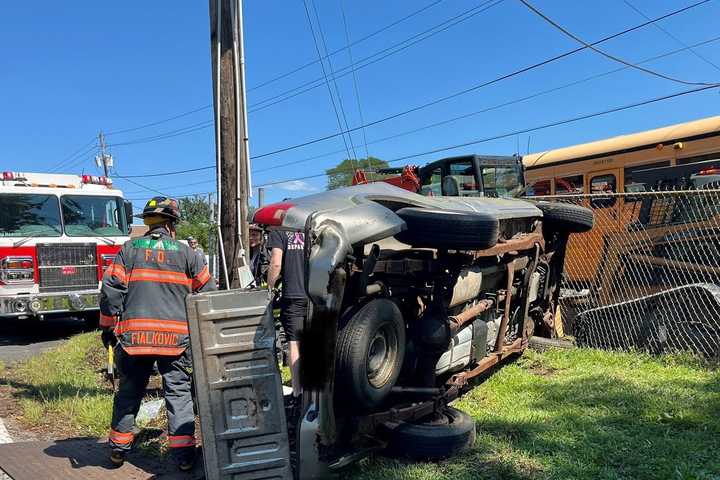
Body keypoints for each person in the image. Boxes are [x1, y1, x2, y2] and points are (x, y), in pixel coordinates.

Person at [100, 196, 215, 471]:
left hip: (134, 340)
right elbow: (207, 292)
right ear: (172, 223)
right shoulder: (188, 253)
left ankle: (117, 450)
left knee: (129, 393)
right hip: (175, 341)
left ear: (149, 223)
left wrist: (106, 326)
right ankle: (184, 457)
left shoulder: (128, 250)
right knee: (178, 394)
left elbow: (110, 290)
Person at [267, 229, 306, 405]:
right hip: (315, 292)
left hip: (293, 296)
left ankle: (298, 393)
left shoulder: (279, 231)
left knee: (294, 343)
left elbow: (276, 263)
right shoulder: (310, 229)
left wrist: (269, 287)